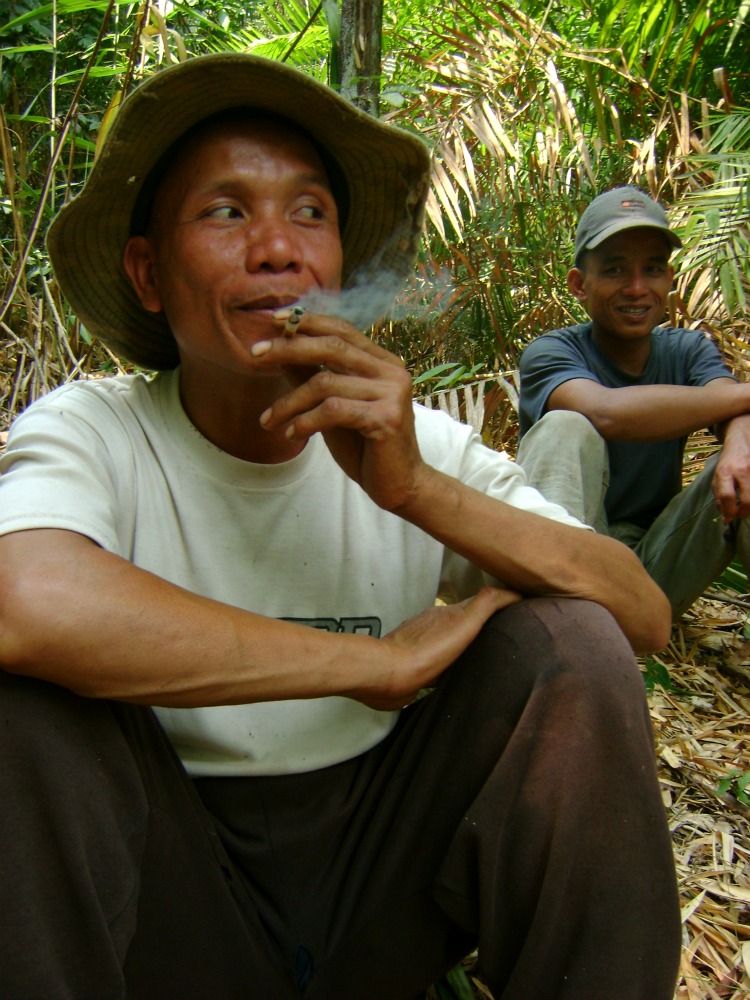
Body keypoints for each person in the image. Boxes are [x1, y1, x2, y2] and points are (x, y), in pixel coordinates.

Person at [0, 56, 680, 999]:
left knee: (572, 643)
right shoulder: (94, 432)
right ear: (148, 273)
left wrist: (415, 491)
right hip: (169, 896)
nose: (278, 250)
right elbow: (26, 604)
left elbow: (640, 614)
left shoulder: (414, 444)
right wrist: (371, 665)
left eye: (310, 214)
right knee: (22, 706)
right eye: (226, 212)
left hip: (381, 882)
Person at [517, 185, 750, 619]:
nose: (637, 288)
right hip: (566, 568)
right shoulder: (551, 353)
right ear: (579, 284)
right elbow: (605, 411)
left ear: (670, 280)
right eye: (615, 270)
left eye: (653, 270)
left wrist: (738, 443)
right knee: (566, 425)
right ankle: (555, 625)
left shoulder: (688, 349)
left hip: (650, 572)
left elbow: (731, 403)